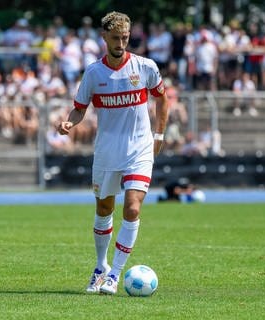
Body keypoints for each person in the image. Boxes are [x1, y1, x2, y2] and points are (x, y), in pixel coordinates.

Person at [57, 11, 168, 295]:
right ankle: (100, 267)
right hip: (107, 151)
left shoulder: (145, 67)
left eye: (126, 38)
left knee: (132, 207)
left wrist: (159, 134)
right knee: (104, 210)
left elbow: (162, 98)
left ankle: (115, 275)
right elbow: (80, 108)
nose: (121, 42)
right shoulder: (94, 73)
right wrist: (70, 121)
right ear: (104, 37)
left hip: (139, 149)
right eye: (116, 37)